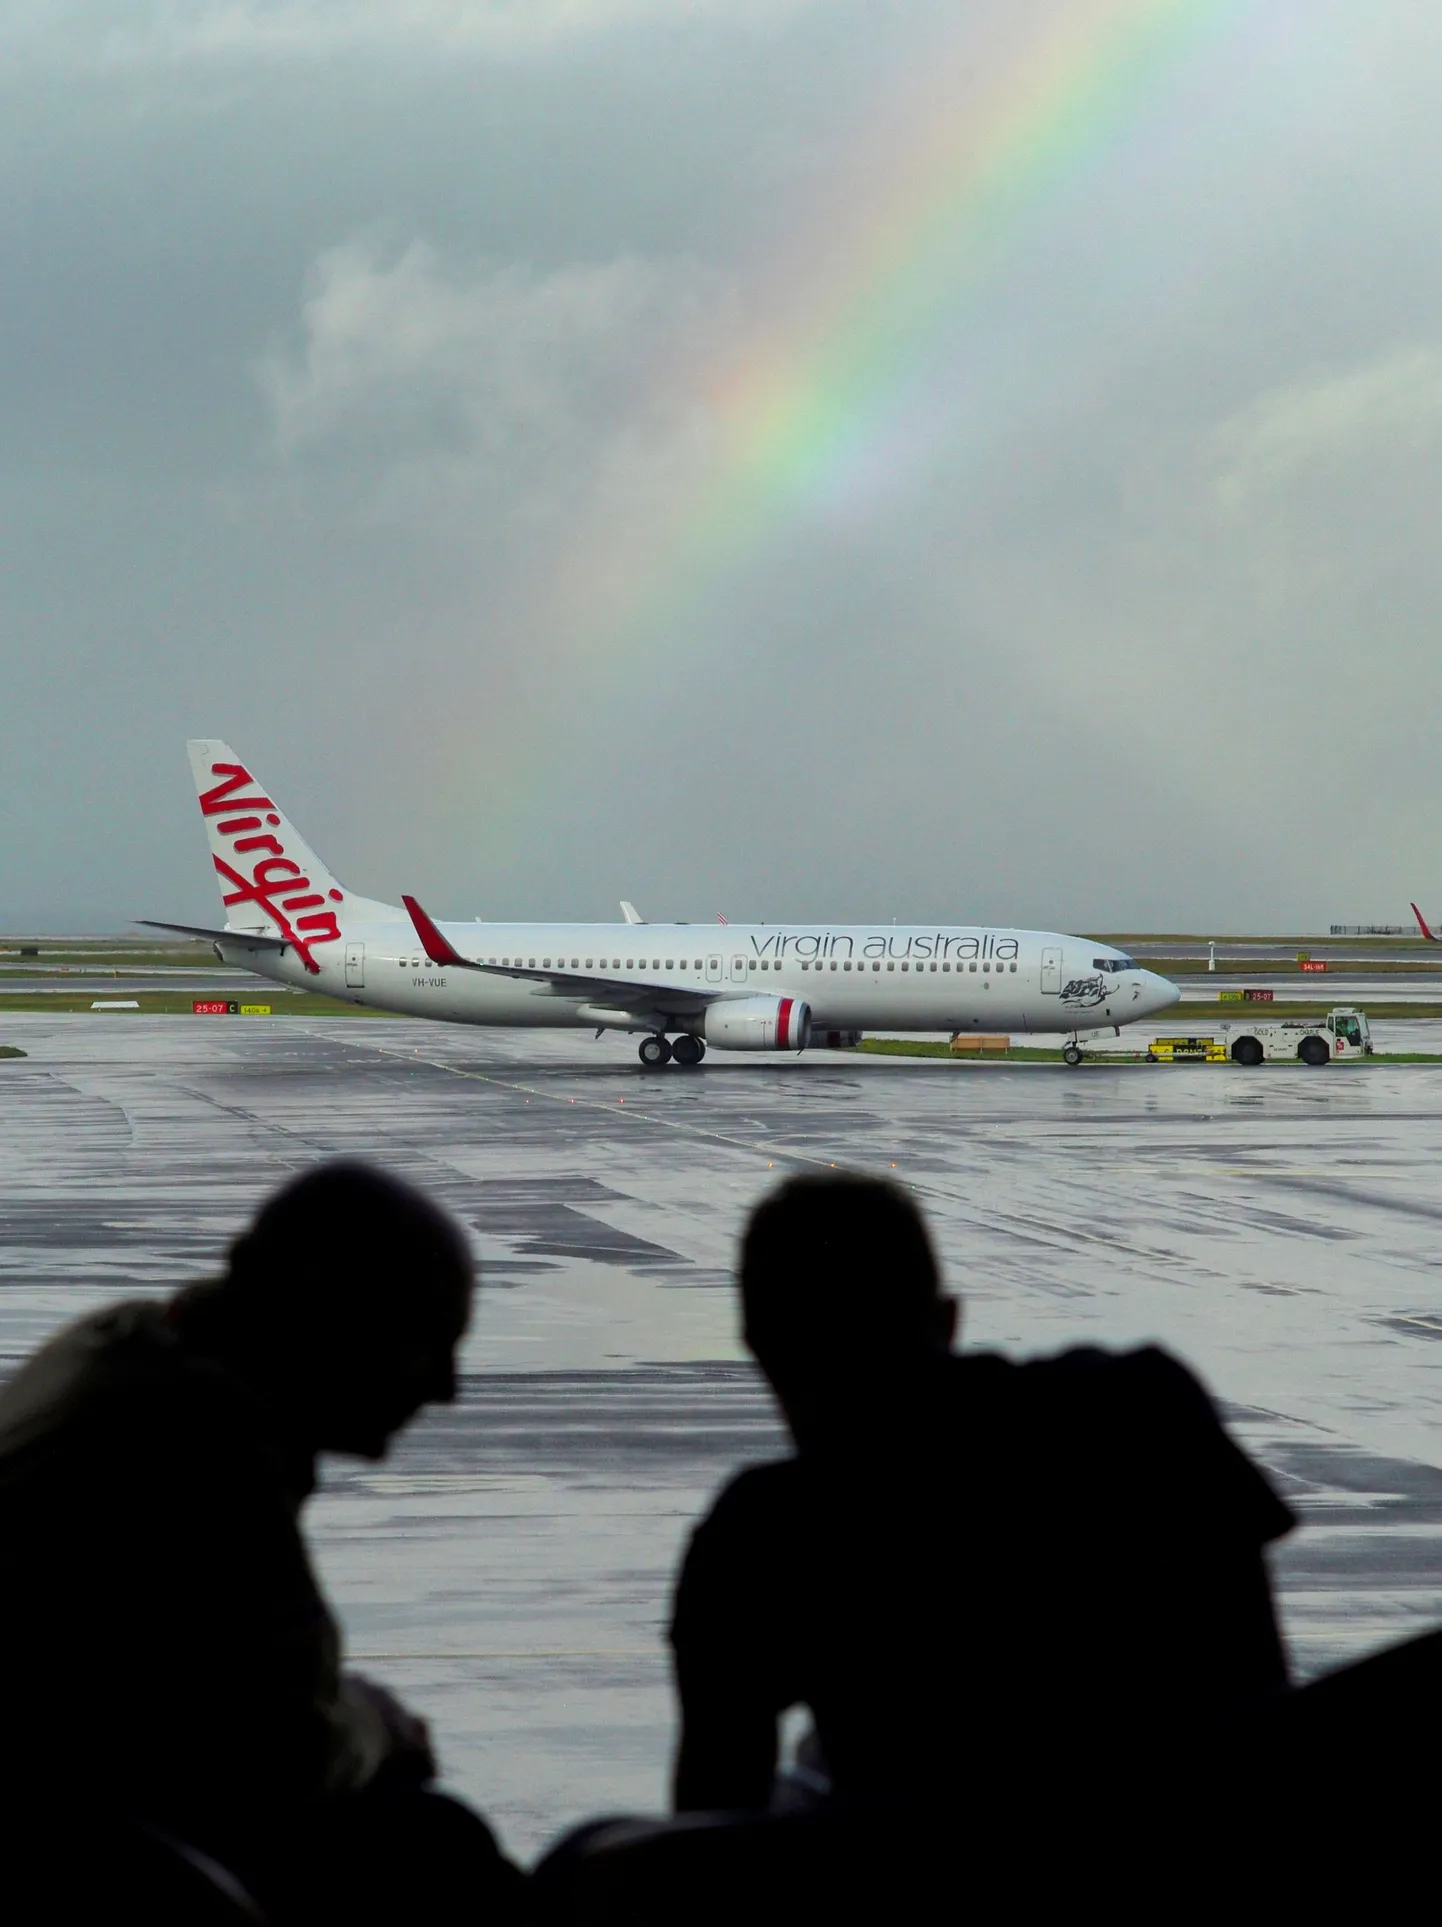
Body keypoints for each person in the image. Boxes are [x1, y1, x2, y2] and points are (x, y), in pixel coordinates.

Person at [669, 1173, 1295, 1827]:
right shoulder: (1144, 1409)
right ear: (948, 1318)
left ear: (762, 1351)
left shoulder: (758, 1534)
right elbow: (1260, 1706)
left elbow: (706, 1837)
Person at [0, 1161, 521, 1922]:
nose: (447, 1387)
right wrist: (378, 1723)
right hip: (93, 1849)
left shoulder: (124, 1349)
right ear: (328, 1314)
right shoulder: (198, 1444)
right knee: (436, 1846)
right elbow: (289, 1750)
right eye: (424, 1337)